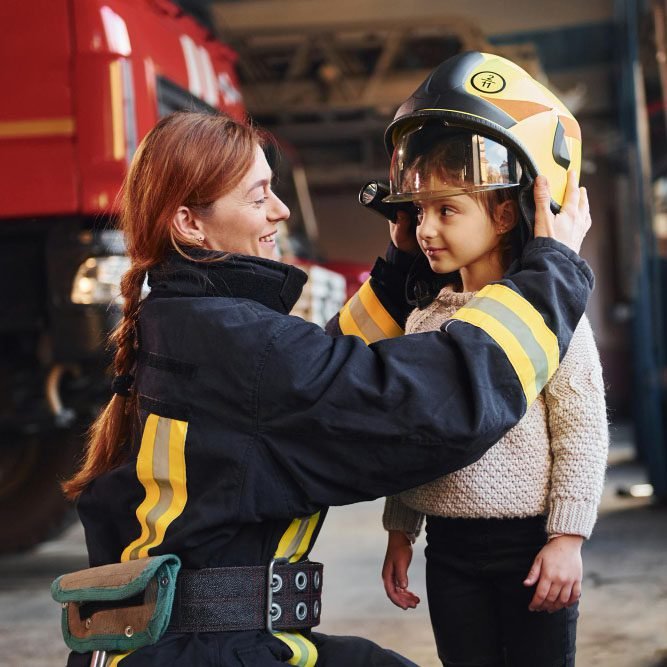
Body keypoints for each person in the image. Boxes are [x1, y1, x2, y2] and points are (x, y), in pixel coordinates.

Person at [59, 102, 592, 666]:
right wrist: (551, 273)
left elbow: (325, 374)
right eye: (259, 195)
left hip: (176, 645)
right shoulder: (234, 339)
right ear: (190, 223)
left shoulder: (191, 319)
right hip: (203, 651)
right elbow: (426, 404)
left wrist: (399, 272)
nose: (281, 211)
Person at [379, 52, 608, 667]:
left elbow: (582, 431)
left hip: (530, 545)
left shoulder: (549, 316)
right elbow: (418, 435)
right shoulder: (426, 318)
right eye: (420, 211)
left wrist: (567, 539)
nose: (426, 229)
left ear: (505, 212)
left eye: (447, 210)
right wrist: (401, 529)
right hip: (448, 550)